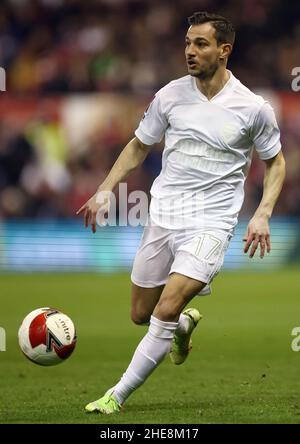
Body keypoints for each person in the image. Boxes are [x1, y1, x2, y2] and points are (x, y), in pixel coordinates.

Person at [77, 11, 286, 414]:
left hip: (212, 221)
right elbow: (139, 145)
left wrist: (262, 213)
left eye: (201, 44)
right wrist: (105, 191)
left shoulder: (253, 107)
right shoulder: (169, 95)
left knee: (166, 307)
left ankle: (114, 396)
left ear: (224, 51)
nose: (190, 51)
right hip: (164, 216)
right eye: (188, 43)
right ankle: (182, 325)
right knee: (142, 314)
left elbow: (276, 161)